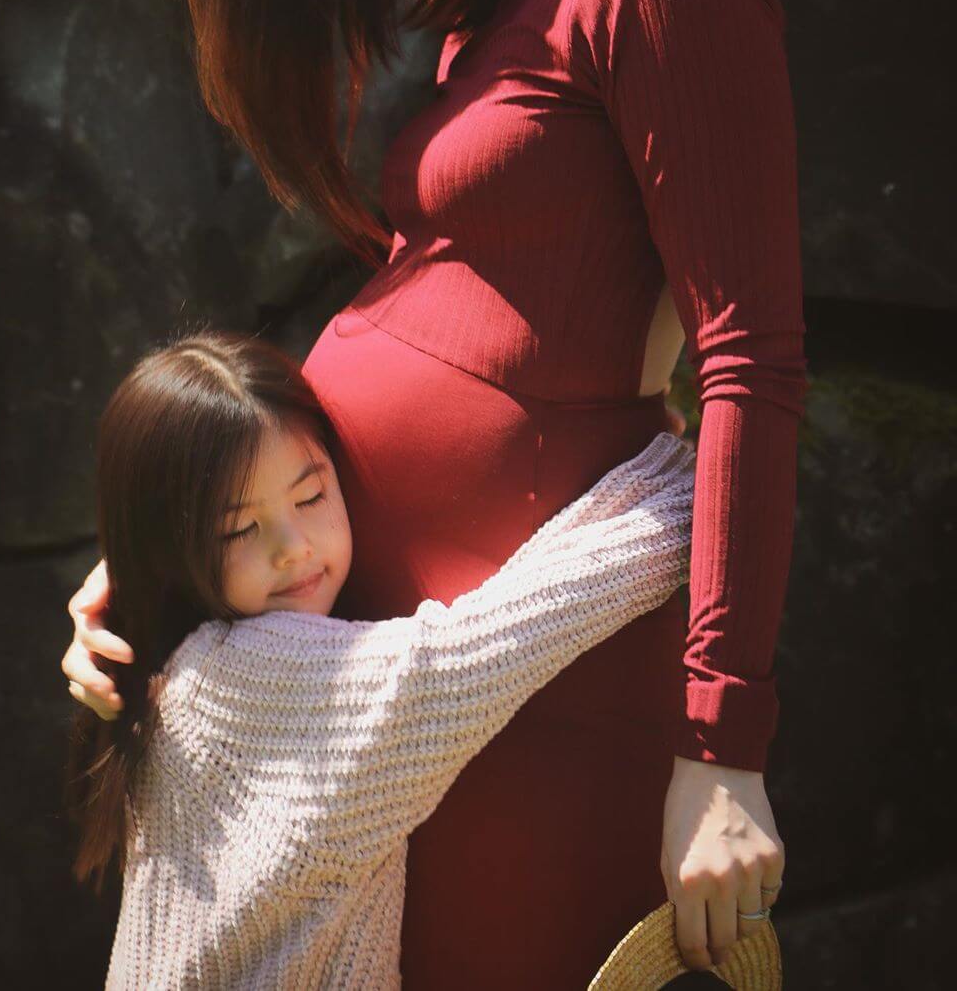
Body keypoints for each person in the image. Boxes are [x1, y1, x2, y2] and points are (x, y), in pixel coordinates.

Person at [62, 0, 802, 982]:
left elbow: (750, 359)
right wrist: (177, 540)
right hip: (404, 691)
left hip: (540, 702)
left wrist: (723, 745)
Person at [67, 329, 697, 988]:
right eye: (240, 529)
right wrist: (684, 491)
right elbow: (489, 645)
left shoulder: (171, 675)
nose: (293, 546)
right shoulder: (244, 678)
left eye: (310, 496)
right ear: (170, 548)